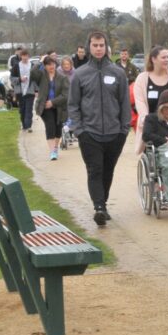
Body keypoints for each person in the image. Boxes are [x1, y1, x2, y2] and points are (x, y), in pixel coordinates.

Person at [67, 31, 131, 226]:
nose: (98, 48)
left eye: (101, 45)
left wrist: (124, 130)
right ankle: (99, 208)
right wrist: (80, 130)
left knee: (108, 171)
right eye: (95, 45)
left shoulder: (118, 73)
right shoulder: (79, 74)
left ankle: (102, 203)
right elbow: (73, 105)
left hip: (114, 133)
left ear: (106, 47)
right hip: (90, 133)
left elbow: (124, 104)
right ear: (89, 47)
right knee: (95, 170)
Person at [132, 45, 168, 154]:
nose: (167, 60)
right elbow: (140, 103)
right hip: (152, 127)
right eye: (163, 57)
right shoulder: (142, 79)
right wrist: (146, 120)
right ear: (153, 59)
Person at [34, 56, 70, 161]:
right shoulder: (41, 76)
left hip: (59, 107)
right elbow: (32, 73)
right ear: (44, 66)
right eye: (48, 64)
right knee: (50, 126)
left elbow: (65, 95)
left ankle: (55, 147)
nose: (51, 66)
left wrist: (52, 102)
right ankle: (52, 151)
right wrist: (40, 62)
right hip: (44, 107)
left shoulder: (63, 78)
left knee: (58, 128)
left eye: (53, 64)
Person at [10, 49, 37, 132]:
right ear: (21, 56)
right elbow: (11, 78)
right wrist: (19, 79)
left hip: (30, 90)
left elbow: (36, 79)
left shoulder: (33, 66)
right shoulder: (16, 66)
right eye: (23, 56)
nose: (25, 58)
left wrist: (36, 90)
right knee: (22, 109)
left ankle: (28, 126)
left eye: (26, 56)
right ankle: (24, 124)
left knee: (29, 108)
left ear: (28, 56)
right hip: (20, 91)